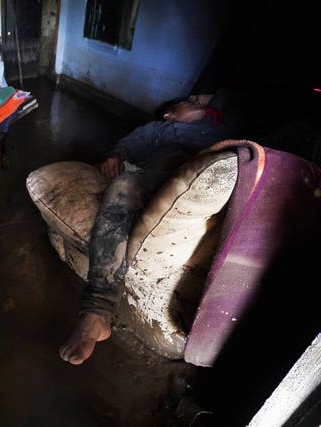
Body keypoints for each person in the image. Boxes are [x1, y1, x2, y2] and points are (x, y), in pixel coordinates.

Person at [59, 89, 249, 365]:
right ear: (170, 114)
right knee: (123, 186)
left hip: (207, 180)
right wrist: (115, 156)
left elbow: (238, 99)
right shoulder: (161, 129)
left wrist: (203, 105)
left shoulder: (226, 126)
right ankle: (97, 311)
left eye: (197, 100)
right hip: (158, 179)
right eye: (188, 101)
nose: (195, 102)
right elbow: (126, 147)